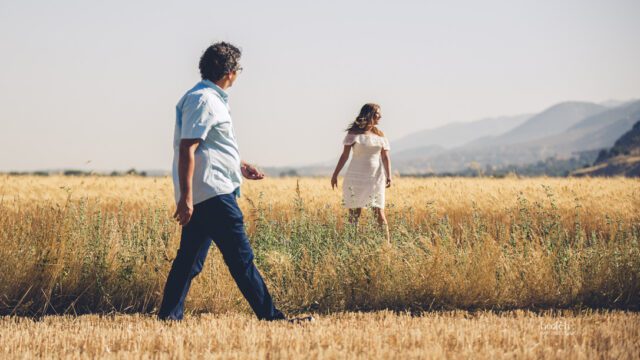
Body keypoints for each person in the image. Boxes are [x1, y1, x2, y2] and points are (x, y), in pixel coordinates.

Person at [158, 42, 311, 323]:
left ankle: (168, 318)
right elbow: (187, 148)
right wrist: (186, 197)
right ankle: (272, 318)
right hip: (213, 194)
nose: (239, 73)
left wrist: (240, 166)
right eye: (238, 68)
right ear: (230, 72)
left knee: (188, 261)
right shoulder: (204, 99)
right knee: (242, 261)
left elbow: (208, 148)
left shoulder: (208, 98)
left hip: (207, 192)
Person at [331, 103, 392, 242]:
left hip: (375, 177)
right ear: (369, 114)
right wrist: (335, 174)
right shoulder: (353, 134)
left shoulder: (380, 135)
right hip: (356, 177)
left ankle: (386, 246)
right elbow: (344, 156)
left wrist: (389, 175)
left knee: (378, 211)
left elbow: (385, 156)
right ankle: (351, 245)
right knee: (354, 213)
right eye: (378, 113)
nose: (380, 116)